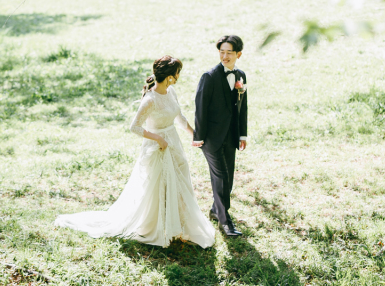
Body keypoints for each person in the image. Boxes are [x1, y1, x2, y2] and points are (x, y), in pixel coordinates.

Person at [54, 56, 215, 248]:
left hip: (174, 143)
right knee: (157, 188)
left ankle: (179, 226)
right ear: (171, 76)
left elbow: (179, 117)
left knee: (179, 183)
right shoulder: (150, 99)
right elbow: (135, 127)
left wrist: (194, 135)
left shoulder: (171, 92)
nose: (179, 76)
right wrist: (158, 139)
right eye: (178, 72)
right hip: (157, 147)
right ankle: (156, 227)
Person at [191, 35, 248, 238]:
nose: (224, 56)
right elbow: (200, 108)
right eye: (221, 52)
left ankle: (216, 210)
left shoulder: (240, 75)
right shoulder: (209, 76)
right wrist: (198, 136)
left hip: (231, 136)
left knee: (229, 177)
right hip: (211, 138)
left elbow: (242, 108)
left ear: (238, 54)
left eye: (229, 52)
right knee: (221, 177)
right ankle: (225, 221)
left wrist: (242, 134)